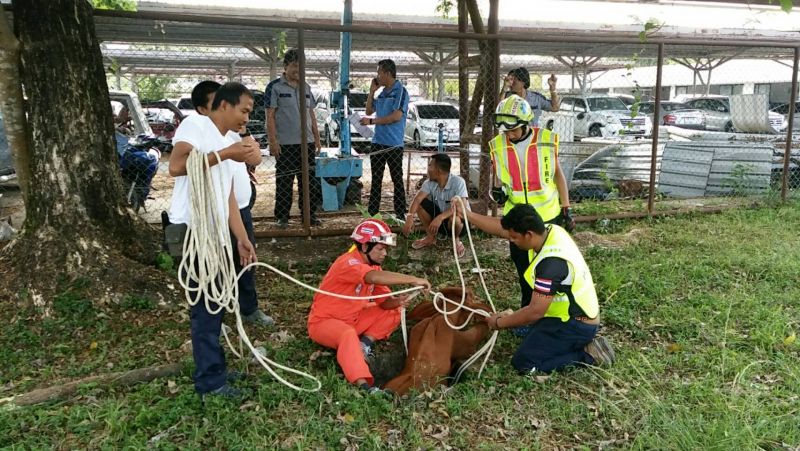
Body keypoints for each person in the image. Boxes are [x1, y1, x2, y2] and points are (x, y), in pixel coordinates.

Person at [167, 82, 260, 399]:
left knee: (217, 304)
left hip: (217, 232)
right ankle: (211, 383)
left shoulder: (230, 139)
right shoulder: (196, 125)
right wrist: (226, 154)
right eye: (244, 110)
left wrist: (242, 238)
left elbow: (229, 196)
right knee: (206, 309)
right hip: (193, 230)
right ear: (224, 105)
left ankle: (214, 369)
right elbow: (176, 166)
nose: (246, 119)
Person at [452, 202, 615, 374]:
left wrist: (499, 322)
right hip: (564, 314)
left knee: (524, 363)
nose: (511, 241)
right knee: (526, 332)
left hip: (575, 324)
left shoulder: (550, 265)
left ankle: (588, 355)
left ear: (528, 234)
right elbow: (501, 229)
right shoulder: (550, 230)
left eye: (514, 238)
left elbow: (535, 312)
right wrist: (467, 214)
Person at [307, 219, 431, 393]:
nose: (385, 253)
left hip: (353, 319)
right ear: (364, 247)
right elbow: (371, 278)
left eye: (385, 249)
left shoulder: (373, 268)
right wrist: (412, 279)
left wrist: (397, 301)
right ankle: (365, 385)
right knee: (347, 334)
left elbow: (385, 302)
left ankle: (363, 345)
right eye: (380, 248)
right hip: (324, 323)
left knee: (396, 310)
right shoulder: (348, 263)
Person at [191, 80, 274, 328]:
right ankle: (216, 314)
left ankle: (249, 308)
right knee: (215, 265)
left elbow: (256, 158)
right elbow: (182, 167)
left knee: (245, 260)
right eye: (213, 103)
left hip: (239, 207)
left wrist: (243, 139)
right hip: (215, 212)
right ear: (203, 110)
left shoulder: (232, 132)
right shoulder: (201, 136)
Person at [490, 95, 574, 321]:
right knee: (523, 269)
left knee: (547, 268)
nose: (509, 135)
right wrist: (497, 190)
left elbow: (558, 175)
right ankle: (528, 311)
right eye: (505, 131)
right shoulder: (498, 145)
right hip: (517, 219)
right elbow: (499, 179)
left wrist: (566, 208)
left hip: (547, 218)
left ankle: (552, 311)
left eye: (514, 130)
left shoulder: (545, 140)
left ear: (526, 123)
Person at [265, 48, 323, 228]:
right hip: (285, 144)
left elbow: (311, 114)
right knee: (285, 180)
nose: (298, 71)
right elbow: (270, 116)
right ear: (285, 66)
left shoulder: (306, 87)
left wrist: (317, 137)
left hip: (307, 143)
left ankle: (309, 215)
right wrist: (273, 141)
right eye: (294, 66)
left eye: (301, 67)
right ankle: (282, 216)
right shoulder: (274, 87)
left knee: (308, 180)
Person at [360, 59, 410, 221]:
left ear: (387, 73)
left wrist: (372, 122)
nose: (377, 76)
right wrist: (371, 92)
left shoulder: (400, 91)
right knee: (376, 180)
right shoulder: (381, 92)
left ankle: (400, 213)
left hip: (393, 144)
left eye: (379, 72)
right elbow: (369, 110)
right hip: (377, 143)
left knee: (397, 179)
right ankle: (373, 214)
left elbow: (396, 116)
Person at [401, 153, 469, 257]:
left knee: (455, 218)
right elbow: (417, 199)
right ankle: (430, 237)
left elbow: (461, 207)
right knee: (421, 204)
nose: (427, 168)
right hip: (439, 218)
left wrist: (440, 218)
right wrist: (409, 217)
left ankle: (456, 240)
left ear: (439, 170)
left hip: (458, 222)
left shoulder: (458, 182)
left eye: (430, 165)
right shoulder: (429, 183)